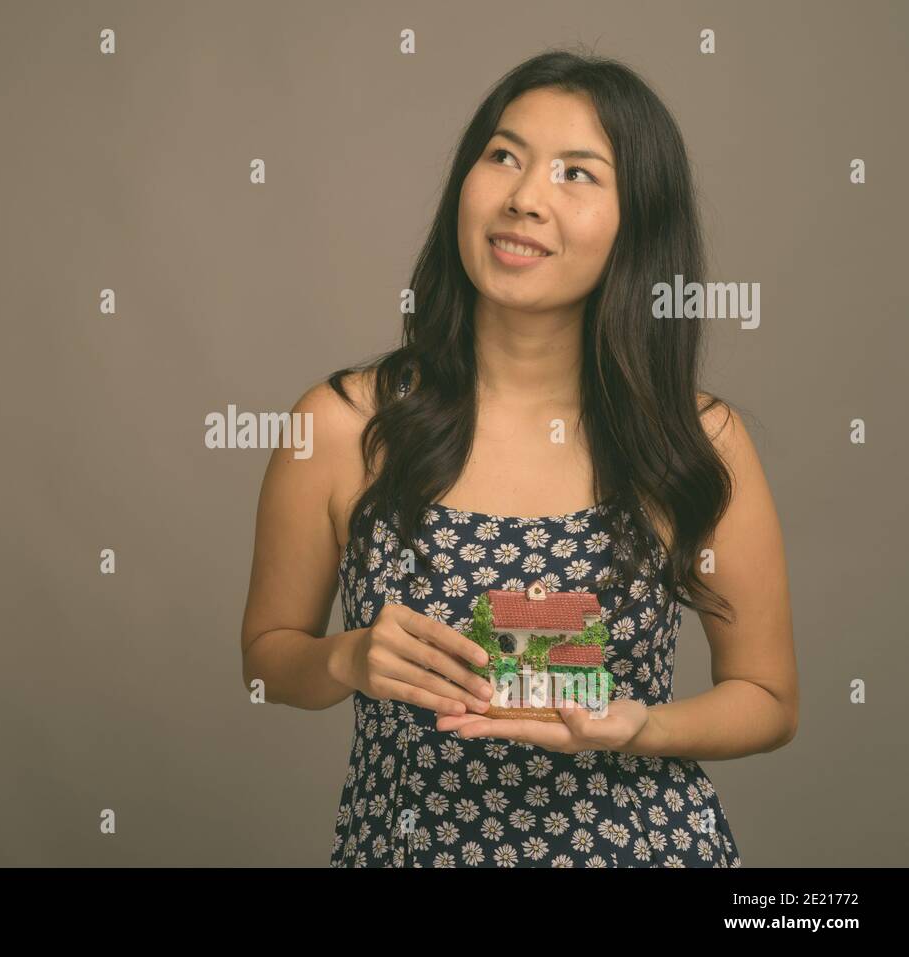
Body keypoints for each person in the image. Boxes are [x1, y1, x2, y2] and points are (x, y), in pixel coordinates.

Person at [239, 49, 797, 867]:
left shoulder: (697, 440)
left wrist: (644, 725)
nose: (525, 198)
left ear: (637, 224)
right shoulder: (339, 425)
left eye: (578, 174)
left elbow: (770, 699)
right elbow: (266, 659)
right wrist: (344, 656)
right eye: (504, 156)